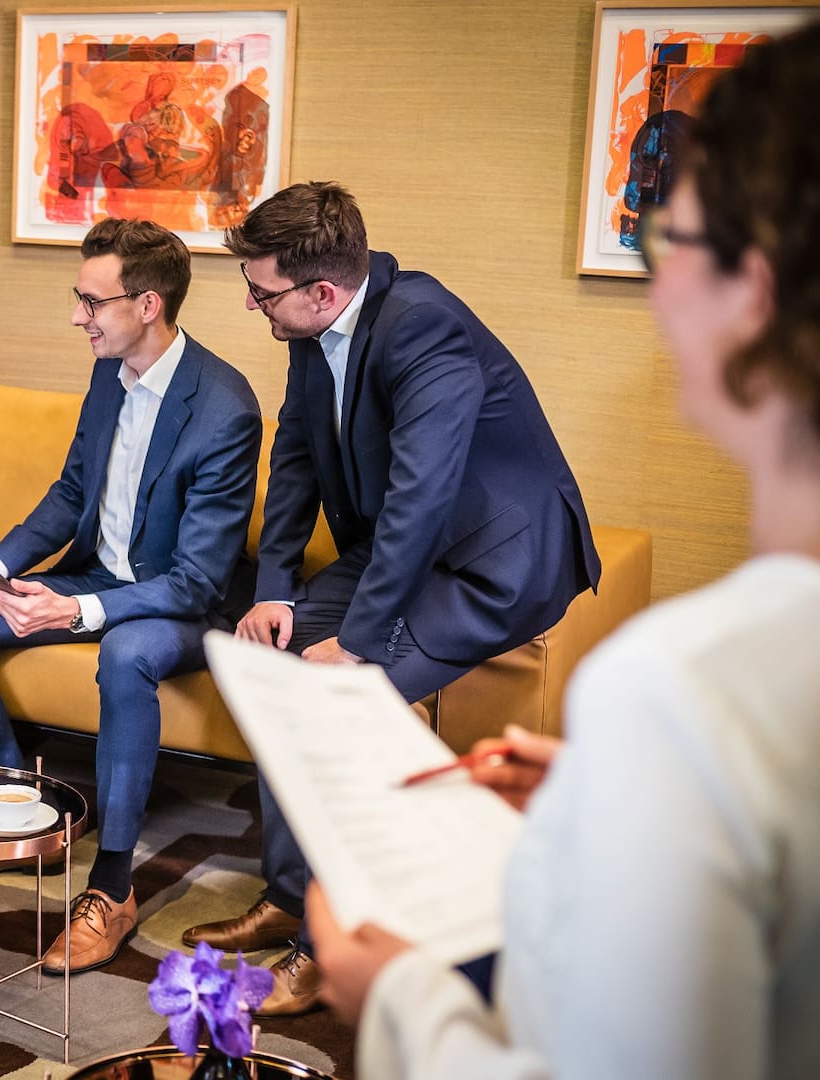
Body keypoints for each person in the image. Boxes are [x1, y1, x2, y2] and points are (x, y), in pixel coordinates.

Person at [310, 26, 820, 1077]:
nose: (656, 288)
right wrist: (622, 794)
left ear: (753, 293)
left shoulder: (680, 689)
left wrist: (399, 1000)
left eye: (664, 239)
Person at [180, 181, 602, 1015]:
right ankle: (291, 896)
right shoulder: (311, 328)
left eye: (261, 293)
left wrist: (358, 641)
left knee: (331, 701)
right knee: (273, 665)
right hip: (402, 548)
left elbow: (423, 495)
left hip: (489, 563)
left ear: (321, 291)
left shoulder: (423, 326)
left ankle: (326, 945)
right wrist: (275, 592)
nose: (252, 305)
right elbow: (295, 458)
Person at [0, 217, 262, 975]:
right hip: (98, 575)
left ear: (148, 305)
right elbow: (71, 495)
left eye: (92, 302)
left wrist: (72, 610)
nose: (77, 317)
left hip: (184, 605)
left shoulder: (225, 408)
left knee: (126, 651)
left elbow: (196, 579)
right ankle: (19, 812)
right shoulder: (108, 372)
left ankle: (112, 888)